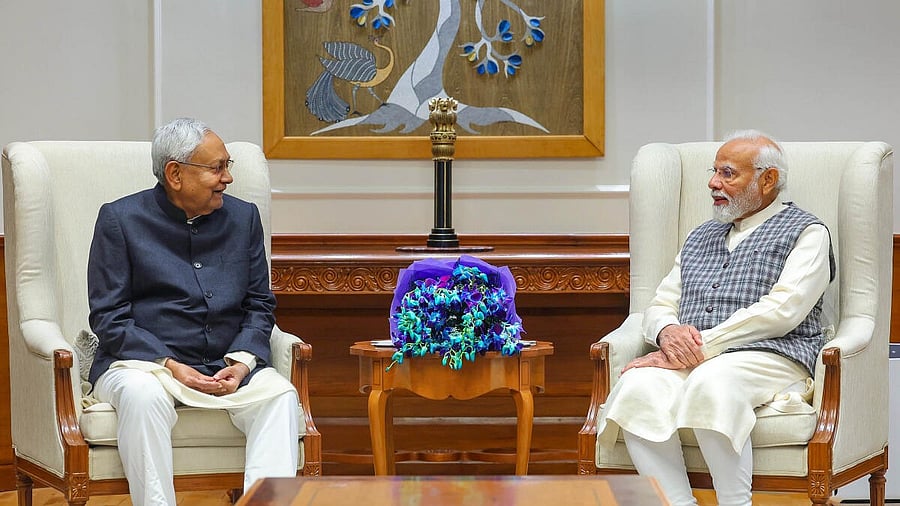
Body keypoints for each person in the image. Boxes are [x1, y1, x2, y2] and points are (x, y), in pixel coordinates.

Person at [596, 130, 835, 506]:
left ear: (767, 179)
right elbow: (660, 303)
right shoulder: (700, 235)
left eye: (727, 174)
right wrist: (667, 331)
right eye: (714, 172)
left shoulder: (808, 232)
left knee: (713, 379)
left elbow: (782, 311)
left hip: (772, 355)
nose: (713, 183)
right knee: (636, 386)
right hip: (692, 359)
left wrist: (700, 347)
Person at [87, 117, 300, 506]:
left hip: (223, 364)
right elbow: (109, 317)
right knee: (142, 394)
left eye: (227, 166)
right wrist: (168, 364)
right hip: (142, 366)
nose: (227, 178)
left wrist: (242, 361)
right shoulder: (120, 220)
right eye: (217, 168)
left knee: (281, 396)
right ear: (175, 174)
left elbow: (259, 304)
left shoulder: (243, 218)